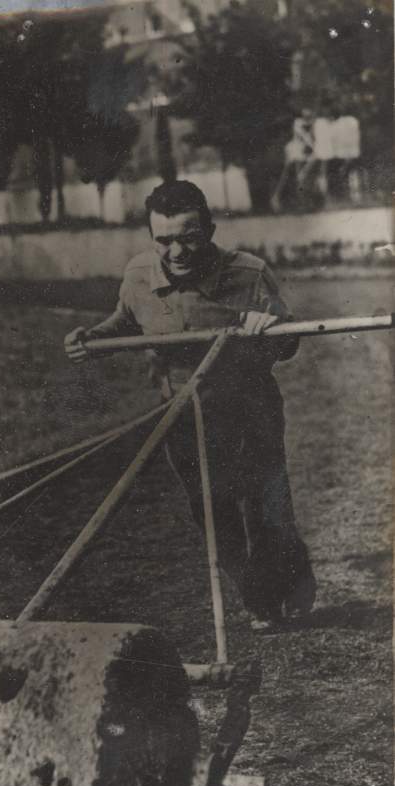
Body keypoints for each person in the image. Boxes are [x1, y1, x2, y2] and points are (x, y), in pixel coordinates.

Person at [64, 180, 316, 630]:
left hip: (250, 408)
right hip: (183, 413)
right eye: (164, 240)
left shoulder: (249, 273)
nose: (177, 251)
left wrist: (272, 326)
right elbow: (123, 322)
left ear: (210, 230)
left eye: (189, 237)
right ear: (151, 236)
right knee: (212, 513)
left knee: (266, 506)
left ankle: (286, 588)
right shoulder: (139, 275)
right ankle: (259, 595)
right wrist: (90, 339)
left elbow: (289, 342)